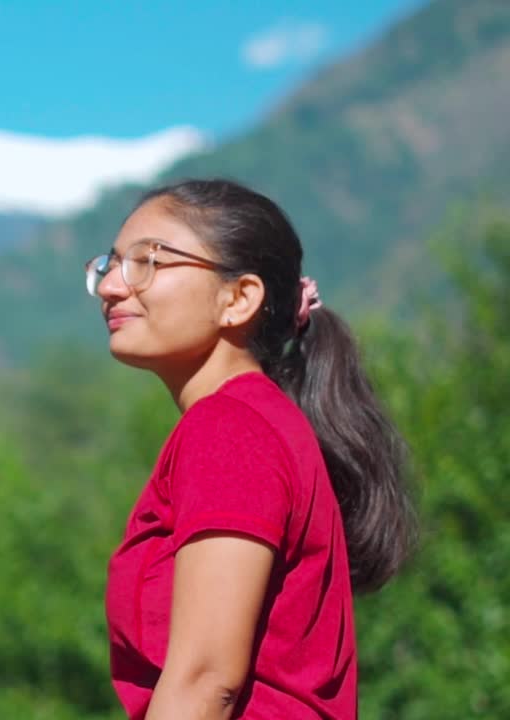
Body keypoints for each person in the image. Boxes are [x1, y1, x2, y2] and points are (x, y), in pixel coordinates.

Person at [85, 179, 416, 719]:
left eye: (147, 262)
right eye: (111, 264)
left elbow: (205, 680)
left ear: (239, 298)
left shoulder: (230, 429)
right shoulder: (252, 422)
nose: (111, 288)